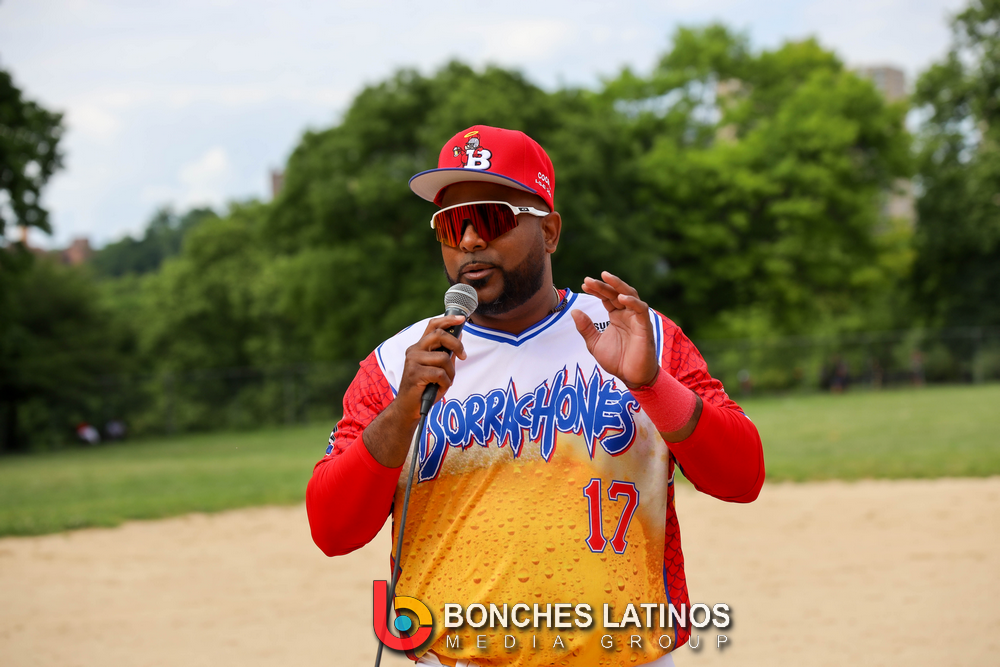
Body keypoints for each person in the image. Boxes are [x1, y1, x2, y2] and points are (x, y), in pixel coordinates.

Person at [306, 125, 764, 667]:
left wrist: (651, 385)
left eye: (490, 218)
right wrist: (401, 413)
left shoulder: (637, 336)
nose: (469, 241)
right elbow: (332, 530)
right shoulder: (399, 366)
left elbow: (742, 478)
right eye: (451, 224)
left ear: (548, 231)